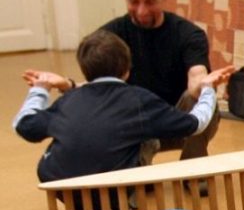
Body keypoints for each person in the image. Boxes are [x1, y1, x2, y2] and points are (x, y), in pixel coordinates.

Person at [13, 29, 231, 185]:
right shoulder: (137, 99)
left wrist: (40, 89)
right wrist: (208, 89)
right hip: (115, 190)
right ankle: (135, 194)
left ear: (85, 70)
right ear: (127, 69)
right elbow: (196, 123)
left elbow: (24, 125)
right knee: (145, 138)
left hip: (60, 186)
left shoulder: (68, 99)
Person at [100, 0, 230, 160]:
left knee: (200, 97)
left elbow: (197, 75)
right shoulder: (108, 37)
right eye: (134, 2)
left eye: (150, 2)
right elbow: (98, 91)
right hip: (134, 125)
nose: (142, 11)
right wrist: (68, 86)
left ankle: (194, 167)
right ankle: (134, 167)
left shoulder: (188, 34)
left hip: (178, 121)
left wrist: (205, 85)